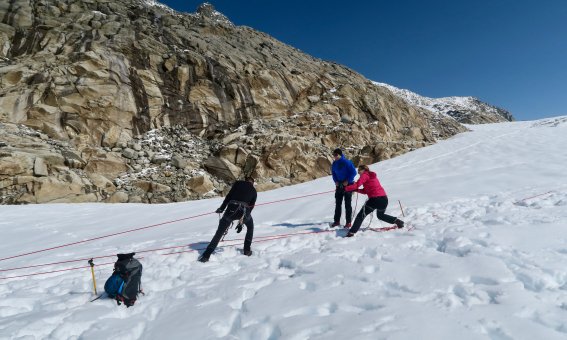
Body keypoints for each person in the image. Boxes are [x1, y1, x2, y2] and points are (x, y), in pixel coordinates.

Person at [198, 176, 257, 262]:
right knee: (250, 228)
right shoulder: (254, 191)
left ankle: (206, 256)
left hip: (231, 209)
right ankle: (247, 250)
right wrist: (242, 222)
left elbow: (228, 197)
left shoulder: (238, 184)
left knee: (219, 233)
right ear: (252, 183)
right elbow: (251, 207)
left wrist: (221, 208)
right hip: (244, 211)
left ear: (245, 180)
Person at [344, 165, 404, 237]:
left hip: (375, 199)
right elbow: (365, 191)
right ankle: (398, 221)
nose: (358, 173)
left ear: (363, 170)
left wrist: (346, 188)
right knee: (380, 215)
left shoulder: (365, 175)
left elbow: (357, 185)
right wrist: (354, 189)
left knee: (361, 216)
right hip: (384, 199)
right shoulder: (371, 176)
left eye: (359, 170)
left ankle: (351, 232)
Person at [330, 148, 357, 228]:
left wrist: (348, 180)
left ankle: (348, 222)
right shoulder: (334, 163)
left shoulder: (346, 162)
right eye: (334, 155)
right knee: (338, 204)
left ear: (340, 154)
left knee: (347, 204)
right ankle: (336, 221)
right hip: (339, 185)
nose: (335, 157)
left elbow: (354, 172)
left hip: (348, 185)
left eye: (336, 155)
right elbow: (334, 174)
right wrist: (336, 181)